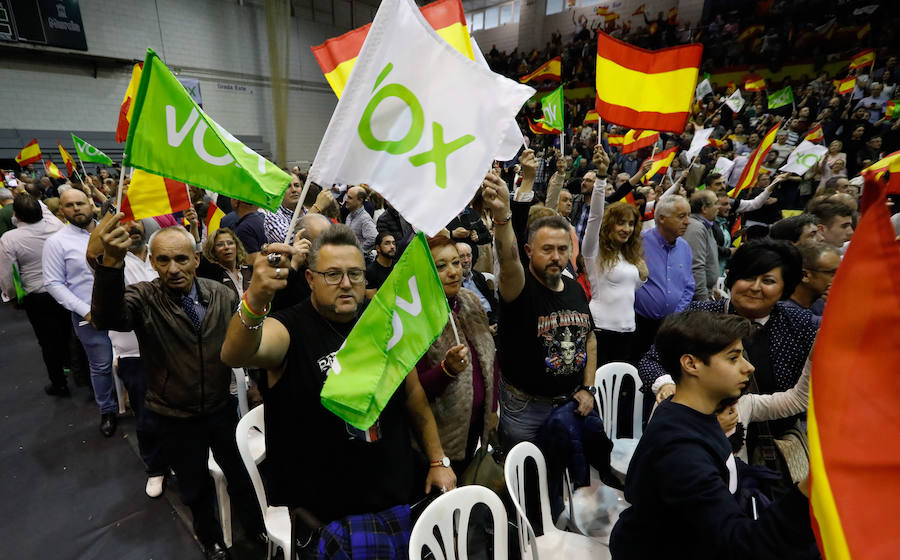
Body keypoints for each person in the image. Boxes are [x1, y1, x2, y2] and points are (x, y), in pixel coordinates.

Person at [219, 225, 455, 548]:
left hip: (399, 494)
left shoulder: (382, 320)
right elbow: (235, 353)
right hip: (329, 515)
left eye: (355, 274)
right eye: (332, 274)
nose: (346, 283)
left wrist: (438, 460)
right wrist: (256, 298)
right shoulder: (290, 327)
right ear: (310, 279)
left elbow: (413, 394)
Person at [90, 220, 265, 560]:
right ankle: (211, 539)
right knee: (194, 485)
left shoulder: (221, 294)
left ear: (196, 259)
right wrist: (110, 264)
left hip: (221, 406)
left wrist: (254, 380)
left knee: (240, 474)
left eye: (181, 259)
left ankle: (255, 525)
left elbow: (244, 339)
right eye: (163, 260)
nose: (173, 269)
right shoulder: (143, 297)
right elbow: (106, 317)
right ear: (152, 262)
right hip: (174, 414)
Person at [610, 311, 817, 559]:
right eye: (733, 358)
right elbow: (742, 546)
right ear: (691, 364)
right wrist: (812, 486)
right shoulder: (681, 452)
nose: (749, 367)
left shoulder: (691, 413)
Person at [480, 171, 597, 453]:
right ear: (529, 250)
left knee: (562, 469)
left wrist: (588, 388)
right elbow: (508, 258)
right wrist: (502, 216)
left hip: (570, 403)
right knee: (525, 474)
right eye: (547, 249)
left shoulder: (575, 288)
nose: (556, 256)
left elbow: (590, 338)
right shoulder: (518, 287)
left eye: (562, 249)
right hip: (525, 409)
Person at [642, 239, 817, 412]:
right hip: (705, 421)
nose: (755, 287)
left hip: (778, 425)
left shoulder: (800, 324)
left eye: (768, 281)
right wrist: (666, 385)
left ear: (785, 288)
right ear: (732, 278)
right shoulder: (700, 315)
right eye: (748, 277)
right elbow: (652, 361)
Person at [88, 217, 170, 497]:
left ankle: (178, 458)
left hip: (172, 347)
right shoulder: (111, 261)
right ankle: (156, 468)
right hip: (135, 354)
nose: (132, 226)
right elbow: (93, 256)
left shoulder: (160, 253)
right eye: (125, 220)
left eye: (136, 221)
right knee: (146, 417)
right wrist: (109, 253)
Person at [415, 236, 499, 474]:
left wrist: (492, 408)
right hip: (440, 439)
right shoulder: (417, 316)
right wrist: (446, 370)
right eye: (441, 266)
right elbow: (414, 391)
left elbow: (490, 358)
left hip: (475, 429)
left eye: (456, 263)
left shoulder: (469, 299)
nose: (453, 272)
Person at [43, 189, 118, 436]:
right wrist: (85, 311)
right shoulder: (56, 242)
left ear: (91, 204)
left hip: (124, 308)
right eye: (69, 205)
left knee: (134, 359)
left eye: (80, 203)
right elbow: (53, 283)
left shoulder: (112, 231)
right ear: (61, 211)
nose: (76, 208)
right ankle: (107, 410)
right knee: (102, 365)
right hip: (89, 315)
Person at [581, 147, 648, 365]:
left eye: (630, 224)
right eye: (621, 223)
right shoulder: (593, 250)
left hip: (629, 332)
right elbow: (595, 215)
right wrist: (602, 176)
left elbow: (628, 289)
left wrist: (643, 276)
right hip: (601, 331)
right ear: (609, 224)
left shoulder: (629, 255)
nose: (626, 229)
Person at [0, 194, 70, 395]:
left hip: (37, 296)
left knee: (47, 341)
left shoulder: (9, 239)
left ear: (16, 215)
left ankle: (59, 383)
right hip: (64, 289)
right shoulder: (57, 227)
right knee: (69, 332)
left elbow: (7, 275)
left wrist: (13, 296)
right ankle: (74, 367)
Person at [630, 194, 694, 364]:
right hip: (638, 326)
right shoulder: (638, 243)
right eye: (681, 216)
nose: (687, 221)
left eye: (688, 215)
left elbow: (688, 286)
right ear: (662, 218)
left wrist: (676, 315)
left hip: (670, 327)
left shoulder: (685, 248)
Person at [785, 241, 841, 323]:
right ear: (805, 275)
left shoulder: (819, 301)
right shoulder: (786, 312)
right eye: (832, 273)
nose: (839, 279)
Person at [683, 190, 720, 301]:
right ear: (704, 208)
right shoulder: (696, 228)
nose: (718, 207)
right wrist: (703, 301)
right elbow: (696, 267)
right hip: (698, 299)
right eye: (715, 203)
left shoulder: (705, 226)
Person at [198, 227, 252, 297]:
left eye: (230, 243)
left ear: (236, 246)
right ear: (213, 250)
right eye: (220, 244)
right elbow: (197, 256)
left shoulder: (250, 270)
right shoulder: (210, 274)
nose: (226, 247)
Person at [456, 241, 499, 330]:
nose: (466, 260)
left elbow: (491, 300)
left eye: (468, 255)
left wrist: (497, 320)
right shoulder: (455, 284)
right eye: (462, 257)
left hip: (492, 318)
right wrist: (486, 328)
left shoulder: (478, 276)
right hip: (475, 326)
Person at [264, 171, 304, 244]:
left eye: (297, 185)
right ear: (279, 191)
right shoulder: (273, 215)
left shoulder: (306, 212)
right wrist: (314, 211)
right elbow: (287, 240)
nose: (294, 190)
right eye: (287, 186)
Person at [343, 185, 377, 256]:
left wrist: (357, 252)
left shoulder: (365, 218)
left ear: (360, 200)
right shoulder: (350, 215)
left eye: (350, 198)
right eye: (347, 196)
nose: (346, 200)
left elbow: (374, 238)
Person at [365, 231, 395, 299]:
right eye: (387, 243)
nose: (392, 246)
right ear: (378, 248)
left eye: (393, 243)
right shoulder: (370, 272)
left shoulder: (398, 266)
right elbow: (372, 301)